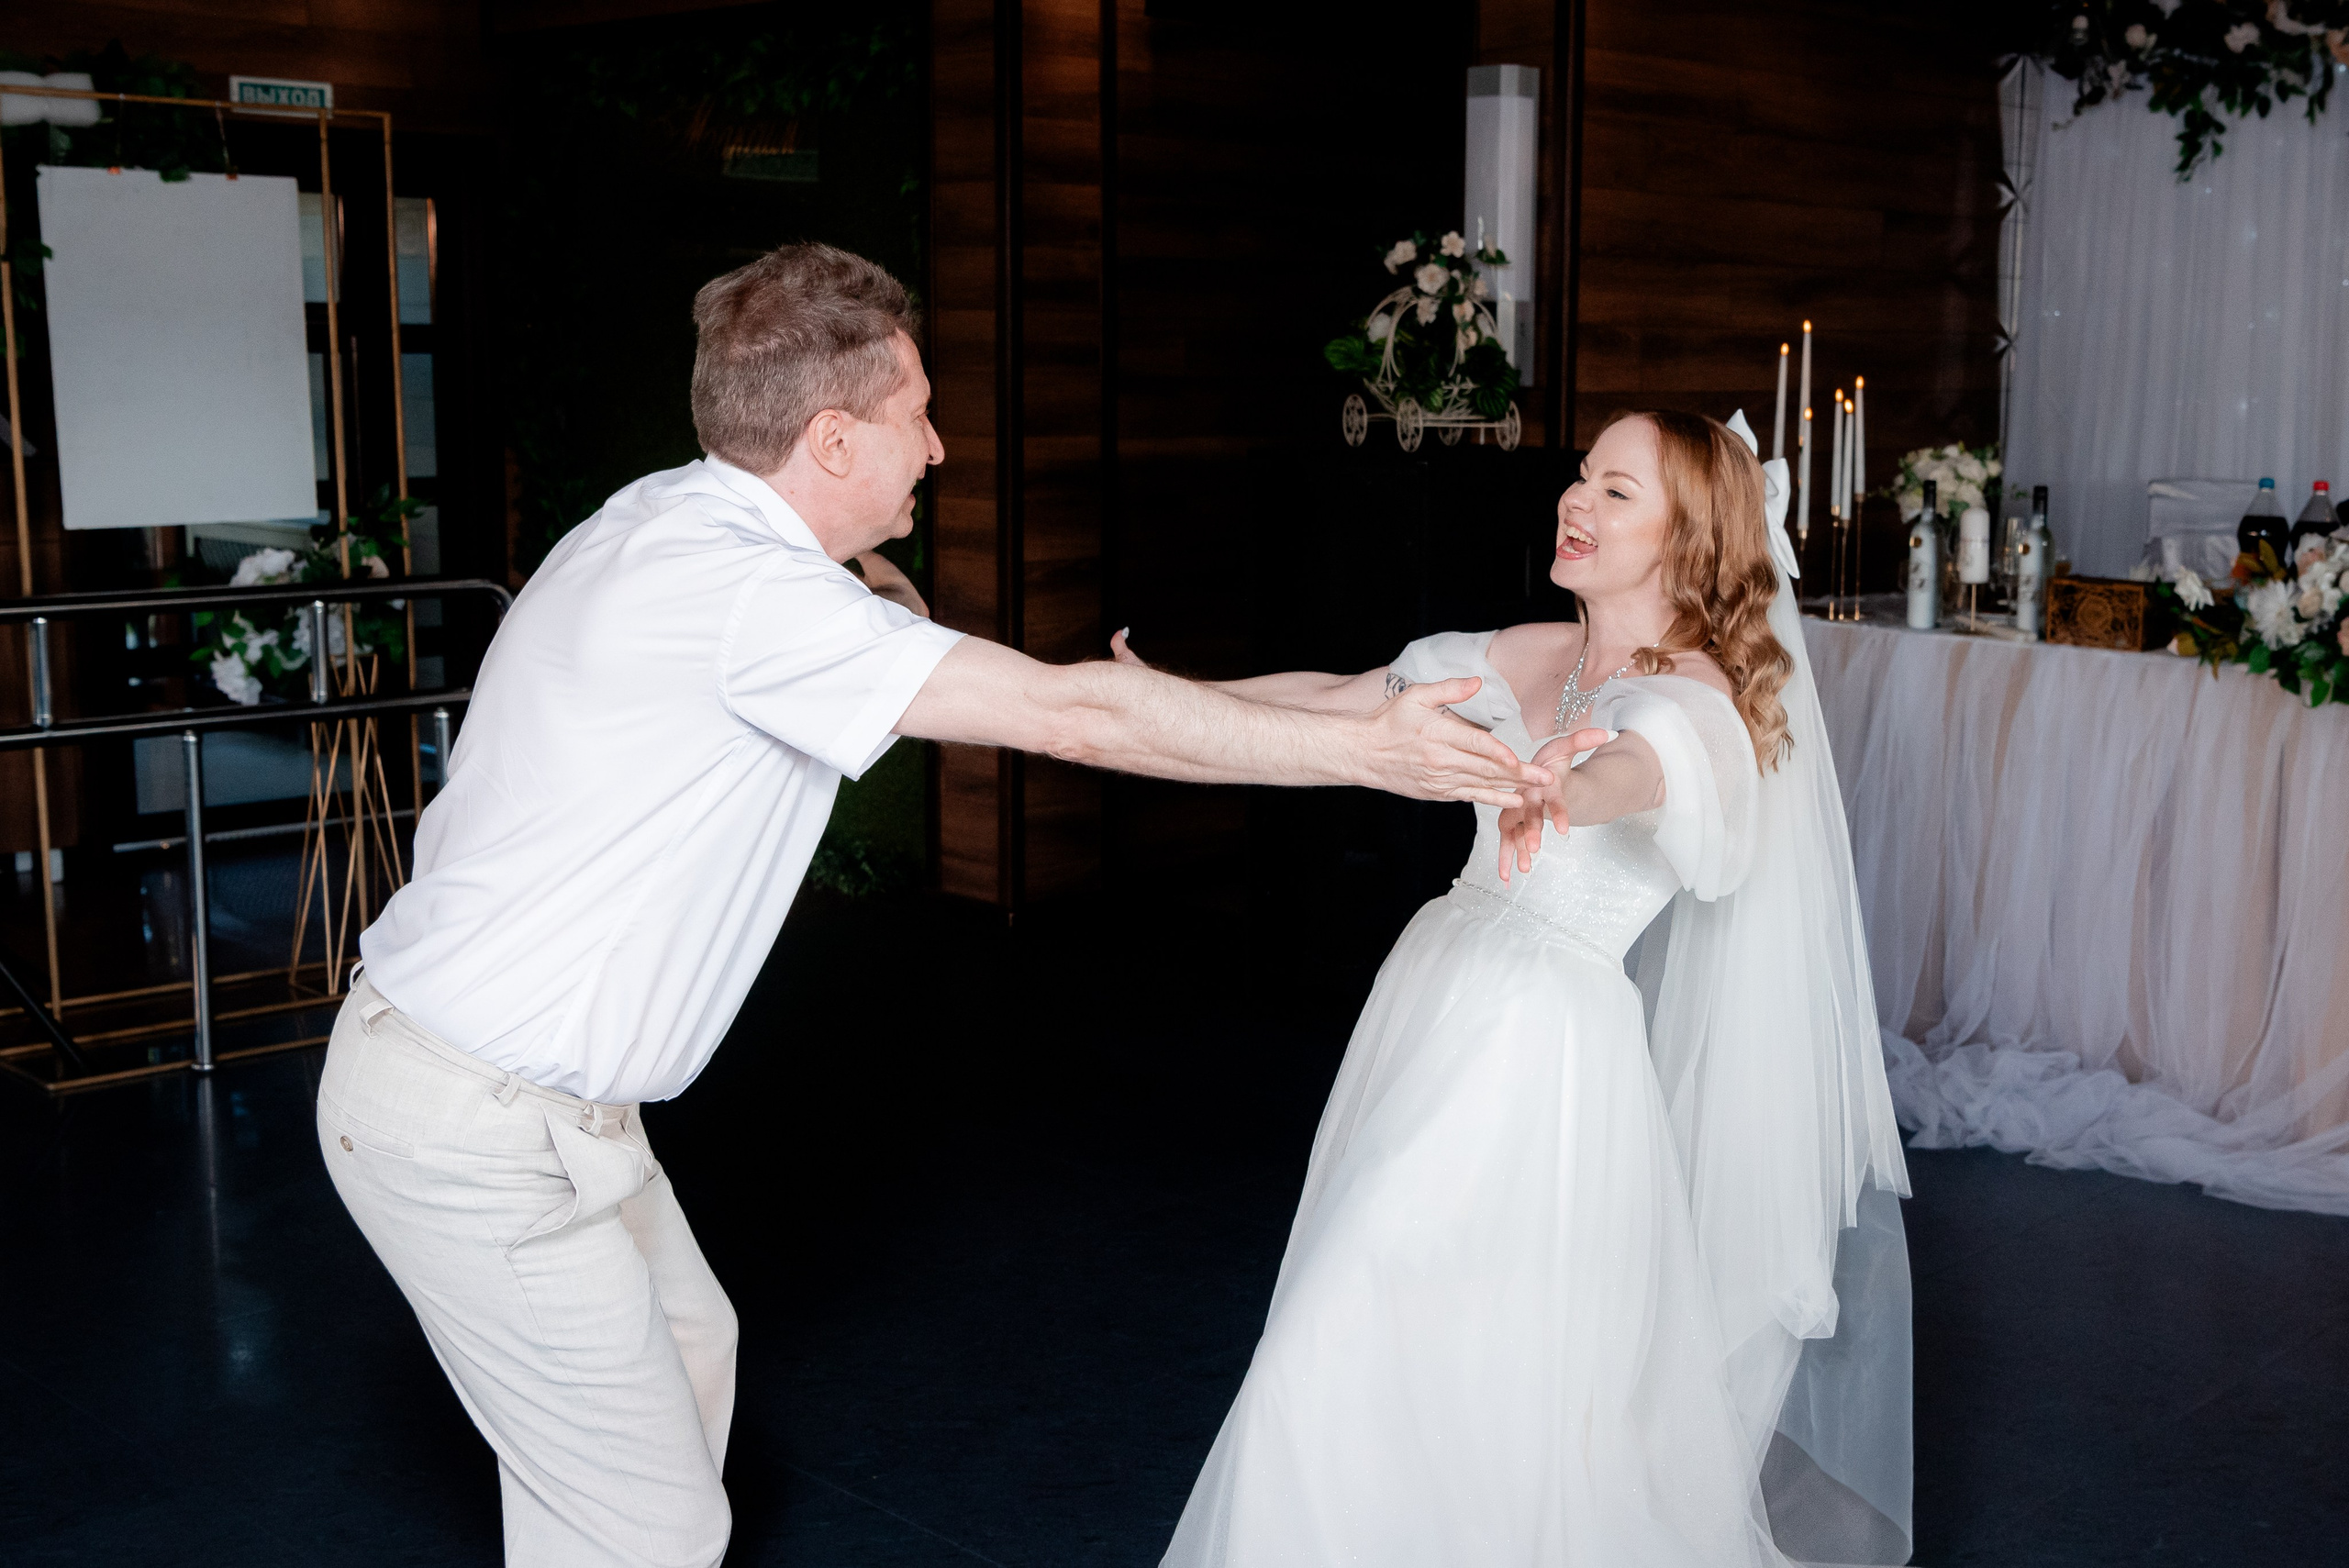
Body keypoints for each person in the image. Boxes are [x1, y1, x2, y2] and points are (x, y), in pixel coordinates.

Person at [312, 242, 1549, 1568]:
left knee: (687, 1347)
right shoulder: (752, 598)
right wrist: (1369, 754)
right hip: (475, 1124)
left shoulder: (677, 519)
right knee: (648, 1522)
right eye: (917, 416)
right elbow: (1069, 716)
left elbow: (955, 645)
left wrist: (1283, 704)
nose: (940, 448)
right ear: (834, 439)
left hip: (505, 1093)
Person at [1130, 409, 1916, 1567]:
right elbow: (1348, 694)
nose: (1576, 503)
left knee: (1354, 1327)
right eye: (1580, 479)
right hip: (1442, 991)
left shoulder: (1697, 696)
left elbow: (1647, 767)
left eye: (1615, 492)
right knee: (1411, 1347)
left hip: (1540, 1055)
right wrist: (1166, 694)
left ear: (1688, 537)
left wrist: (1569, 784)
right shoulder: (1526, 651)